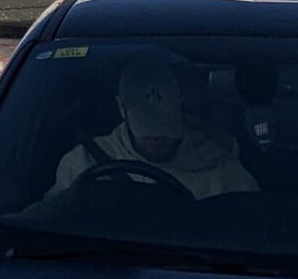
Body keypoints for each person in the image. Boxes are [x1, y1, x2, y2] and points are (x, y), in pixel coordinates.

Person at [54, 53, 257, 200]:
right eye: (147, 129)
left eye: (165, 128)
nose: (157, 139)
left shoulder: (220, 168)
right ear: (121, 108)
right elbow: (51, 222)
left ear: (181, 105)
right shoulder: (83, 164)